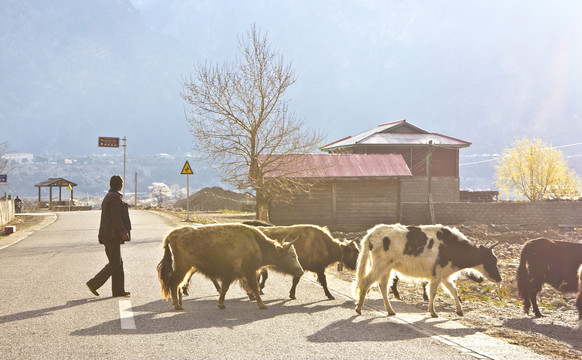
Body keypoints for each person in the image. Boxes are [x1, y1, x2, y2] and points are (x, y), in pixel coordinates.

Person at [86, 175, 131, 297]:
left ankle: (118, 291)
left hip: (109, 235)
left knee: (118, 263)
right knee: (115, 263)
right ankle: (94, 283)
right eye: (122, 183)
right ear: (119, 184)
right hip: (111, 235)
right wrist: (123, 231)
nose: (122, 185)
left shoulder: (111, 196)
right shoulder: (114, 198)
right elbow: (115, 217)